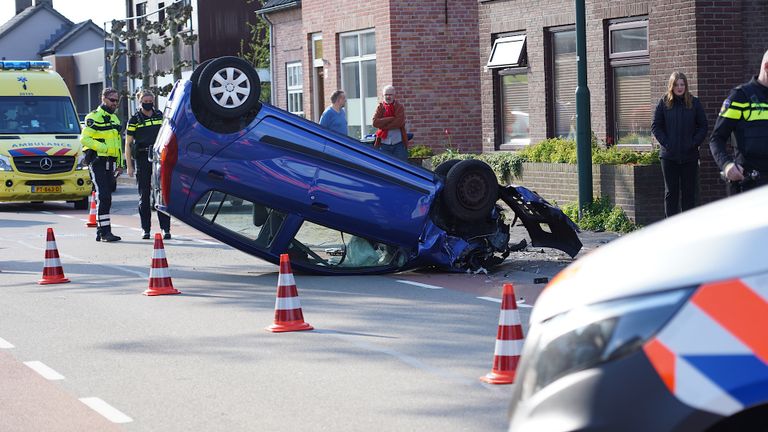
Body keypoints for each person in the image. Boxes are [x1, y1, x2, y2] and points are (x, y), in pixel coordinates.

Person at [710, 49, 768, 195]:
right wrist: (727, 165)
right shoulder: (740, 97)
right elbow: (717, 138)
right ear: (766, 67)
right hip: (749, 186)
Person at [651, 71, 708, 217]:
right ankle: (671, 227)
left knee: (689, 193)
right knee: (671, 193)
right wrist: (667, 143)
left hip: (689, 156)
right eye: (676, 84)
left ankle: (687, 227)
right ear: (672, 86)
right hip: (669, 156)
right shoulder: (663, 103)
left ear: (686, 86)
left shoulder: (694, 103)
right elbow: (656, 126)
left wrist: (693, 143)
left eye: (682, 84)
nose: (680, 87)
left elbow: (703, 126)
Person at [125, 90, 171, 240]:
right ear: (140, 101)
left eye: (150, 100)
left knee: (161, 193)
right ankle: (146, 229)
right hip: (142, 157)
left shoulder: (160, 115)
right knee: (144, 195)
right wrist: (129, 166)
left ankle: (166, 228)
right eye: (145, 100)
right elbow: (128, 144)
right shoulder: (134, 120)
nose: (148, 103)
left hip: (158, 157)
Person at [80, 88, 122, 242]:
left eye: (117, 100)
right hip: (98, 161)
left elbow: (118, 144)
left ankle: (101, 231)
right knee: (103, 196)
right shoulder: (93, 117)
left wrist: (120, 163)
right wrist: (103, 148)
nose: (115, 103)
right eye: (112, 100)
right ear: (103, 98)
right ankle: (105, 232)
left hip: (110, 162)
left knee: (107, 196)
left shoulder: (115, 119)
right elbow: (85, 139)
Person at [372, 85, 409, 161]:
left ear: (394, 95)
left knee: (402, 167)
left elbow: (399, 123)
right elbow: (375, 122)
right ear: (383, 95)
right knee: (385, 168)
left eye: (390, 94)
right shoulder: (380, 107)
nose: (388, 97)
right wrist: (391, 118)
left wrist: (383, 124)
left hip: (398, 144)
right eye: (386, 94)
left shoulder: (399, 107)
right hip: (383, 144)